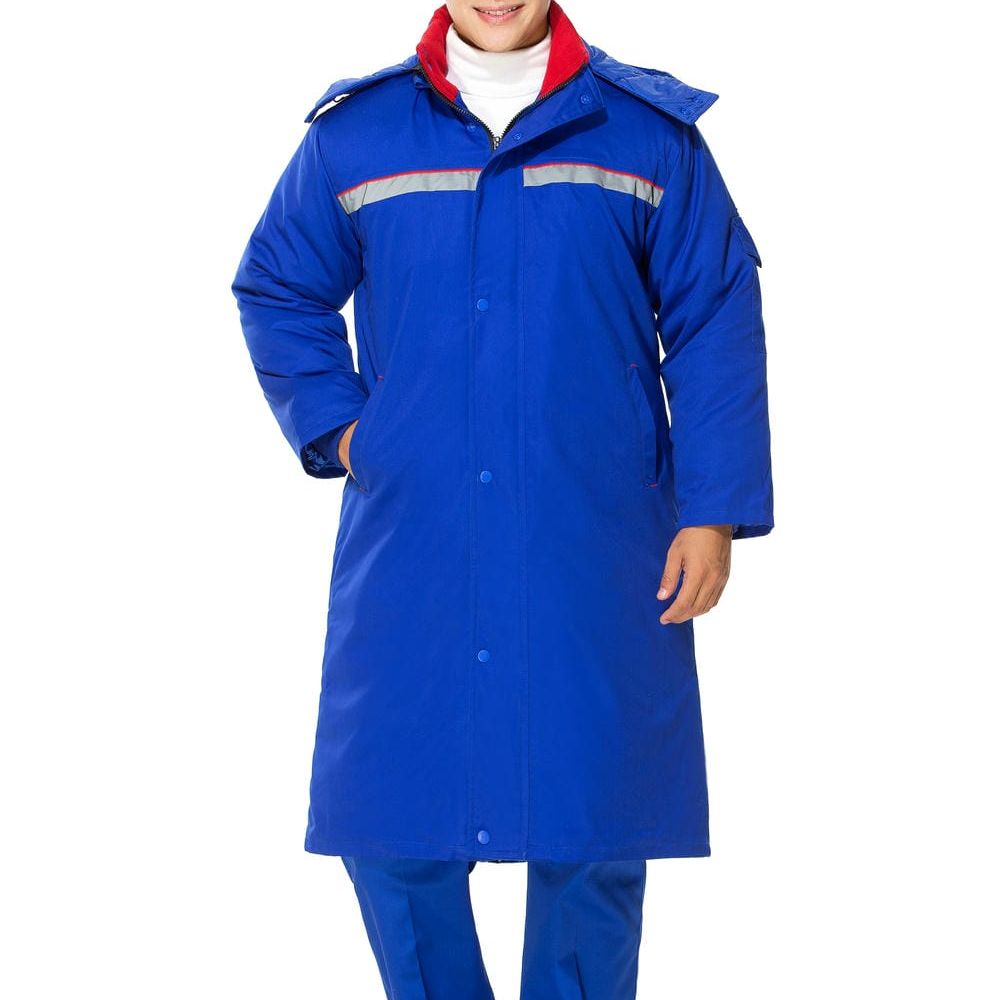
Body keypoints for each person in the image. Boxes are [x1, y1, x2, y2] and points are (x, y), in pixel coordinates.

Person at [231, 1, 773, 996]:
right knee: (392, 824)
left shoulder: (644, 134)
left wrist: (712, 507)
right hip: (416, 531)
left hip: (594, 532)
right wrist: (345, 428)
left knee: (593, 823)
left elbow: (713, 312)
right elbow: (277, 283)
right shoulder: (358, 135)